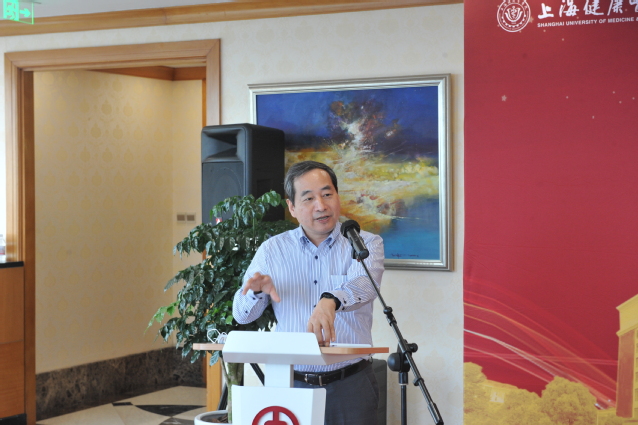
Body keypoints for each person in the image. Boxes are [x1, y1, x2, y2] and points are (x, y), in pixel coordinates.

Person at [233, 160, 385, 425]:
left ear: (337, 196)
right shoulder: (272, 250)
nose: (321, 205)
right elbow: (242, 315)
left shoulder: (365, 242)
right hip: (291, 385)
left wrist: (331, 300)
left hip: (351, 385)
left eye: (327, 194)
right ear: (292, 207)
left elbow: (365, 284)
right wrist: (255, 293)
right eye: (309, 198)